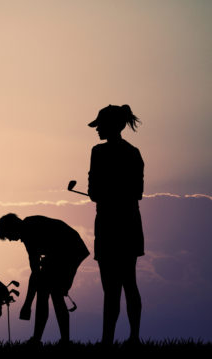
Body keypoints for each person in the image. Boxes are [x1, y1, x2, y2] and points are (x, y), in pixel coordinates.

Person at [87, 104, 144, 345]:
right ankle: (133, 338)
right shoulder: (134, 152)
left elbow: (93, 192)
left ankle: (107, 340)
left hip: (109, 225)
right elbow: (137, 192)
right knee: (129, 282)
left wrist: (106, 193)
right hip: (129, 223)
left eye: (100, 124)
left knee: (111, 287)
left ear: (111, 125)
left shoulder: (98, 152)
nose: (97, 129)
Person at [0, 214, 89, 345]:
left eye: (8, 235)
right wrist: (28, 304)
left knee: (53, 293)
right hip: (66, 250)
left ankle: (52, 340)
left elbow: (35, 274)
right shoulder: (28, 228)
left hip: (70, 250)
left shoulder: (29, 233)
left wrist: (27, 305)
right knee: (47, 290)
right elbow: (36, 274)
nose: (10, 240)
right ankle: (45, 339)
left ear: (13, 228)